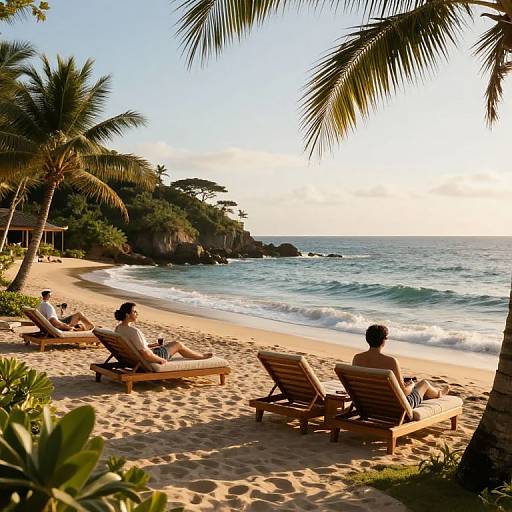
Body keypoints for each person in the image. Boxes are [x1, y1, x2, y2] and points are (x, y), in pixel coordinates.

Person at [352, 324, 449, 409]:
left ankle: (432, 393)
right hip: (393, 407)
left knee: (409, 385)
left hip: (366, 404)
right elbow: (403, 393)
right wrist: (411, 385)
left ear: (367, 339)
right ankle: (439, 394)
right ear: (383, 341)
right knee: (424, 384)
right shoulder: (391, 361)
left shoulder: (357, 358)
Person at [114, 302, 213, 364]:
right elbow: (145, 353)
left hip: (131, 358)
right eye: (134, 312)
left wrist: (153, 345)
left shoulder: (119, 328)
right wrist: (160, 360)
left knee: (171, 344)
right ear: (127, 315)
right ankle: (201, 356)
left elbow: (137, 346)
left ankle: (198, 355)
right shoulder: (134, 331)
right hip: (149, 357)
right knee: (178, 344)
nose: (137, 313)